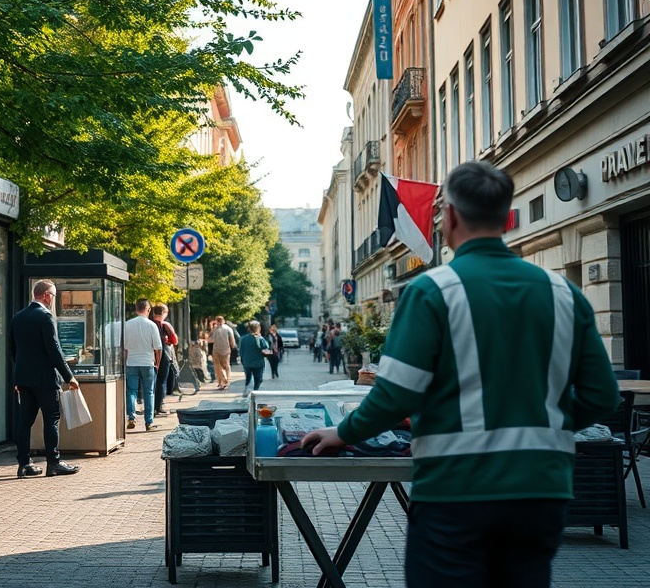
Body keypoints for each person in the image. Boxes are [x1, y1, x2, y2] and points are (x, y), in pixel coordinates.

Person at [299, 161, 619, 588]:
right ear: (505, 217)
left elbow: (396, 395)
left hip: (457, 488)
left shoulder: (433, 292)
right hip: (541, 488)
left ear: (448, 217)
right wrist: (545, 421)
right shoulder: (564, 294)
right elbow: (602, 396)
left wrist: (344, 432)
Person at [10, 279, 81, 478]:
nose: (53, 300)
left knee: (25, 422)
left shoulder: (18, 317)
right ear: (46, 295)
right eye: (53, 296)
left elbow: (14, 350)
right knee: (52, 420)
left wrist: (18, 377)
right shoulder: (45, 317)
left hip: (24, 379)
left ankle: (24, 465)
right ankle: (53, 463)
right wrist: (69, 376)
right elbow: (54, 350)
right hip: (45, 379)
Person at [123, 298, 162, 431]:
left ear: (136, 309)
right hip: (147, 363)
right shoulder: (152, 325)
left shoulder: (127, 324)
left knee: (131, 391)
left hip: (131, 362)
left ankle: (131, 417)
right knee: (149, 393)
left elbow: (125, 347)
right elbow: (158, 347)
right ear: (148, 309)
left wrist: (125, 361)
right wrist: (157, 363)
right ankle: (149, 423)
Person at [151, 303, 178, 416]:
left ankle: (150, 406)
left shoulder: (150, 323)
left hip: (150, 355)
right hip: (163, 356)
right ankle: (158, 406)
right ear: (164, 313)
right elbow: (174, 340)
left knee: (151, 381)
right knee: (161, 381)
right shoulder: (165, 325)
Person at [238, 320, 271, 396]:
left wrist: (243, 361)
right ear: (258, 328)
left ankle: (247, 392)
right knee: (257, 380)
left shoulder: (243, 339)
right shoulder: (260, 338)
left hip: (247, 363)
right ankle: (254, 394)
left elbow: (241, 351)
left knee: (248, 379)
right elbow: (266, 348)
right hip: (258, 363)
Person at [209, 315, 237, 389]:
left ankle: (222, 382)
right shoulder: (228, 329)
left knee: (218, 367)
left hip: (216, 350)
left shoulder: (215, 329)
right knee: (226, 366)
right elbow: (232, 340)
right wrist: (232, 346)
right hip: (226, 350)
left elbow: (210, 339)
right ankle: (226, 380)